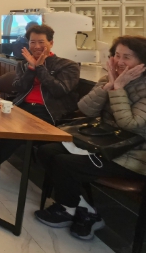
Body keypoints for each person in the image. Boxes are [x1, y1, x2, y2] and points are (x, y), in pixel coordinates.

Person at [35, 35, 146, 241]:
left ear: (142, 62)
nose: (120, 62)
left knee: (64, 163)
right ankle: (83, 209)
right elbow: (85, 109)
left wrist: (118, 88)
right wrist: (108, 85)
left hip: (132, 155)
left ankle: (69, 208)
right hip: (103, 143)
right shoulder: (110, 78)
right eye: (117, 55)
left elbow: (130, 124)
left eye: (127, 57)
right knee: (45, 151)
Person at [0, 24, 80, 190]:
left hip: (48, 113)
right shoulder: (24, 64)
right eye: (33, 42)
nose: (37, 46)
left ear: (51, 43)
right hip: (22, 107)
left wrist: (40, 67)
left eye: (41, 42)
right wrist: (31, 68)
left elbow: (59, 90)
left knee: (17, 130)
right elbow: (19, 87)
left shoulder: (67, 66)